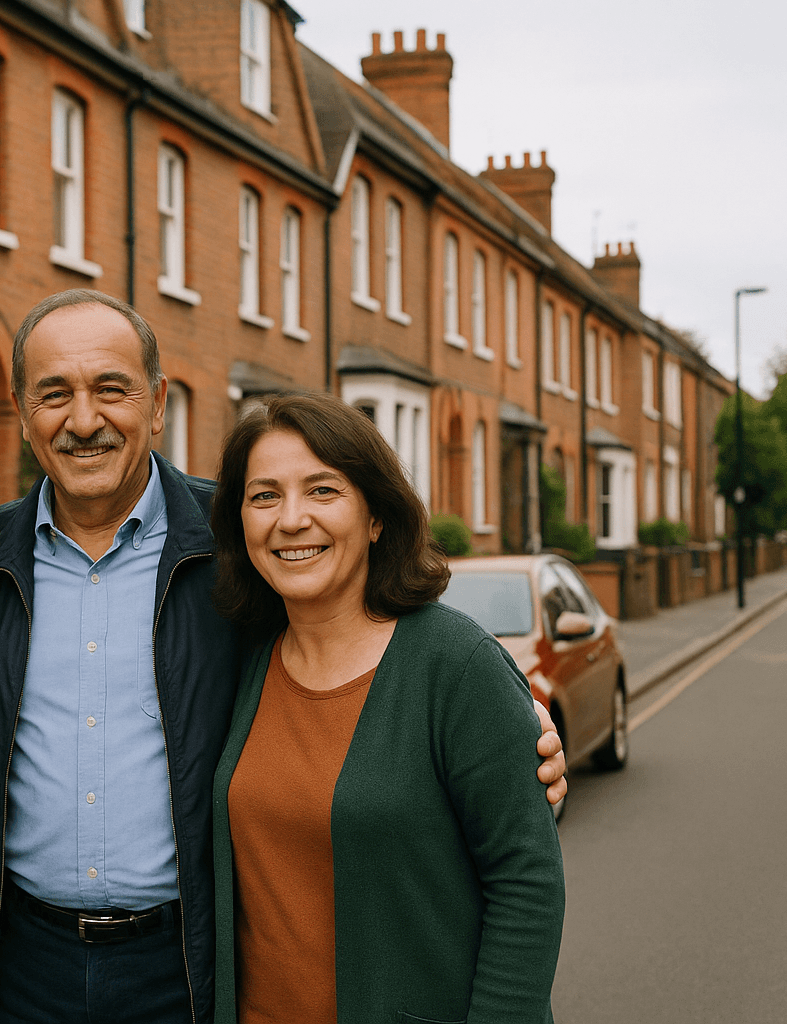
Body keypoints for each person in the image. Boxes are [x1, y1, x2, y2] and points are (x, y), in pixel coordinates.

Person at [0, 288, 569, 1024]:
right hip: (22, 964)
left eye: (112, 389)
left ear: (157, 404)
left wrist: (523, 743)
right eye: (54, 393)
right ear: (22, 410)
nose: (84, 419)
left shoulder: (238, 551)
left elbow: (394, 682)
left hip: (187, 966)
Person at [208, 392, 566, 1024]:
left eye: (323, 490)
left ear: (376, 516)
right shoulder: (242, 661)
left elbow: (527, 882)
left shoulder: (455, 664)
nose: (291, 519)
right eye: (265, 496)